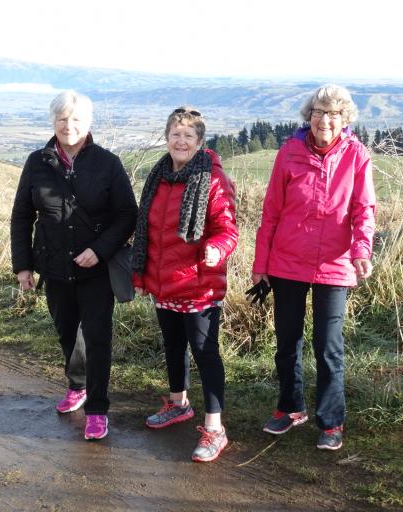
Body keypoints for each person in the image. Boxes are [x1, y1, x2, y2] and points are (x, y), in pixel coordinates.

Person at [252, 85, 376, 451]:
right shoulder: (289, 153)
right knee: (286, 342)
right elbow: (271, 212)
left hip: (335, 265)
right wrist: (261, 264)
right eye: (320, 112)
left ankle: (331, 420)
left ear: (345, 119)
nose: (326, 120)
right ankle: (290, 408)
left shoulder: (357, 155)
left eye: (334, 114)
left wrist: (362, 251)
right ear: (309, 116)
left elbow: (363, 209)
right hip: (287, 262)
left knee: (329, 346)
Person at [10, 90, 137, 441]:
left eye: (76, 119)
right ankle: (77, 385)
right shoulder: (37, 162)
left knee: (97, 338)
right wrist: (23, 266)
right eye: (63, 119)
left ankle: (97, 408)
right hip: (53, 268)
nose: (69, 125)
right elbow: (22, 215)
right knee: (68, 333)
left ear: (88, 124)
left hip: (95, 271)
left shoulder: (108, 163)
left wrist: (99, 250)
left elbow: (127, 214)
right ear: (53, 122)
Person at [133, 107, 238, 462]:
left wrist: (215, 248)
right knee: (173, 345)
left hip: (198, 284)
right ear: (167, 138)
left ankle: (215, 427)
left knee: (205, 353)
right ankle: (178, 404)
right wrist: (143, 272)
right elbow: (148, 228)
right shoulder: (158, 176)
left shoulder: (213, 179)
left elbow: (228, 230)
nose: (180, 141)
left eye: (188, 136)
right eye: (175, 134)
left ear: (200, 142)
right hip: (164, 282)